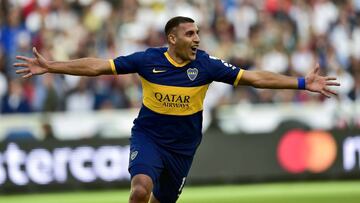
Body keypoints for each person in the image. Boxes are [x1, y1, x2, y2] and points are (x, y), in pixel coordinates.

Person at [14, 16, 340, 203]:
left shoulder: (208, 65)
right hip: (149, 137)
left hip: (183, 147)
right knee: (140, 189)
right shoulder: (148, 60)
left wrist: (301, 83)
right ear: (172, 38)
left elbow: (254, 77)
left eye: (197, 32)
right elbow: (99, 67)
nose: (197, 38)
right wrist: (52, 66)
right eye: (190, 33)